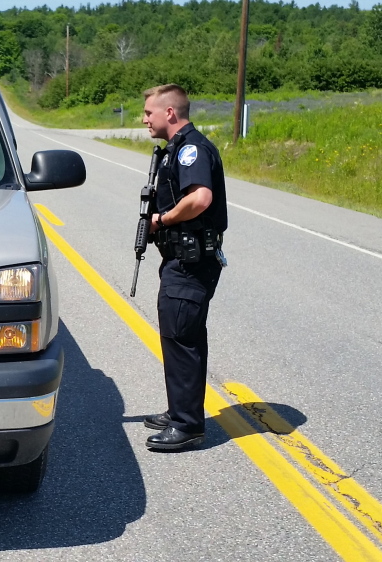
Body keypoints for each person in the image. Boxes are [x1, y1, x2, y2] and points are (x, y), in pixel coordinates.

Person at [139, 84, 228, 450]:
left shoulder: (191, 149)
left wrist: (163, 219)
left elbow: (201, 198)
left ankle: (188, 426)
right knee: (180, 336)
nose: (145, 119)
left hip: (192, 262)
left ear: (170, 113)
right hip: (182, 259)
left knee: (181, 336)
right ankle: (181, 409)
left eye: (149, 113)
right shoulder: (177, 148)